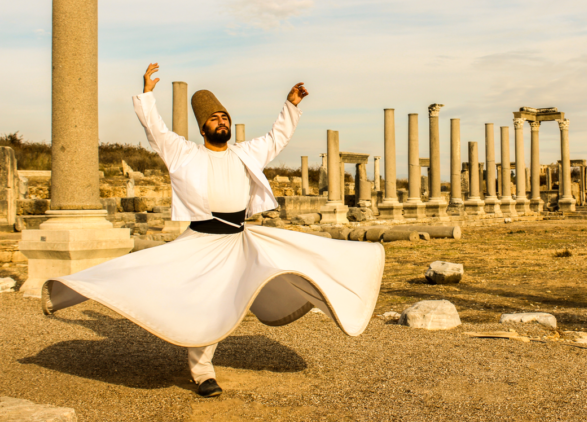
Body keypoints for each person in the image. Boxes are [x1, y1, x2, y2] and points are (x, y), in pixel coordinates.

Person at [42, 63, 385, 398]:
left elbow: (276, 138)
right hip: (201, 240)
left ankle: (210, 363)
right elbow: (157, 131)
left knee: (297, 261)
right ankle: (201, 371)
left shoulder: (245, 153)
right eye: (213, 119)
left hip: (238, 239)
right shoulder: (184, 154)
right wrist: (147, 95)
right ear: (203, 128)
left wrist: (291, 105)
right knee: (162, 284)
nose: (221, 122)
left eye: (224, 117)